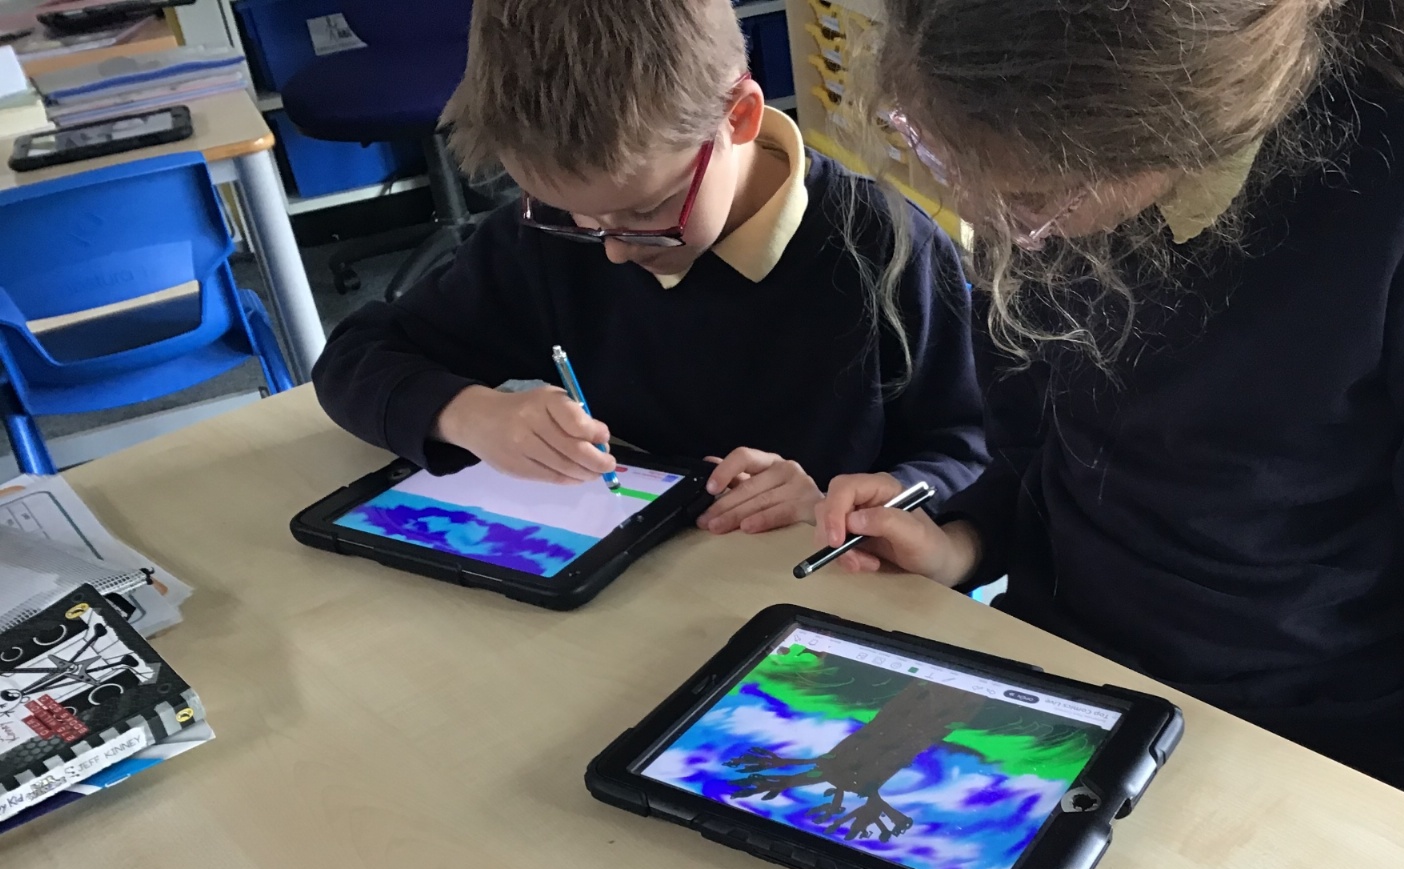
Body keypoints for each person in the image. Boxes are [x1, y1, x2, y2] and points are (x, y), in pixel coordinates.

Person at [817, 0, 1404, 845]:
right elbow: (1034, 455)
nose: (995, 222)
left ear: (1161, 129)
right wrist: (959, 542)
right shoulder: (1024, 136)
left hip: (1288, 744)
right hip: (1060, 683)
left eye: (1031, 198)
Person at [313, 0, 986, 537]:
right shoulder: (548, 240)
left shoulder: (885, 248)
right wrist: (471, 415)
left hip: (813, 598)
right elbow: (355, 358)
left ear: (740, 118)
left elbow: (973, 454)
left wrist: (847, 503)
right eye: (570, 213)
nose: (610, 249)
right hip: (634, 580)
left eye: (645, 212)